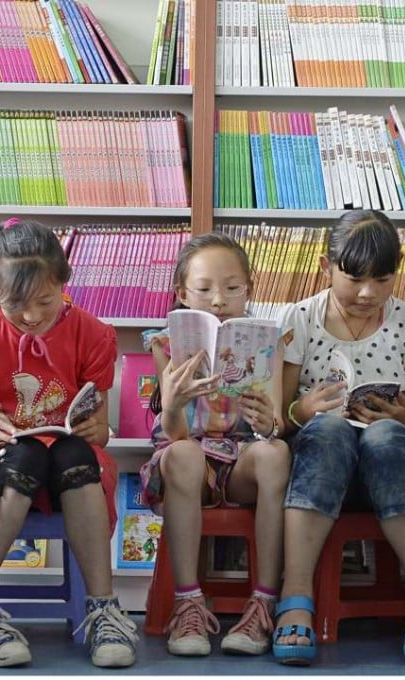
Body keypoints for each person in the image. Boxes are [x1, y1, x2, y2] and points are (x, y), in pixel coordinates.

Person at [0, 219, 138, 668]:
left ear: (64, 284)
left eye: (45, 301)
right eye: (16, 305)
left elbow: (99, 426)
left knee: (75, 452)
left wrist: (95, 430)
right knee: (24, 453)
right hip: (3, 460)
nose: (31, 316)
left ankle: (103, 609)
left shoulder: (91, 332)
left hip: (67, 459)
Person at [273, 210, 405, 666]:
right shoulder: (300, 318)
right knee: (328, 428)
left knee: (386, 435)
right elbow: (277, 421)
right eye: (354, 278)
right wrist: (304, 409)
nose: (369, 293)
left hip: (391, 469)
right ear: (324, 265)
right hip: (318, 469)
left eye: (384, 279)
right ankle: (295, 595)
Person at [140, 233, 291, 657]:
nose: (219, 299)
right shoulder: (165, 344)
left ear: (250, 288)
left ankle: (263, 603)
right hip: (189, 460)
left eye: (232, 287)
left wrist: (268, 422)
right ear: (183, 293)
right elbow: (173, 434)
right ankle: (187, 603)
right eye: (204, 289)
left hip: (243, 459)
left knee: (276, 453)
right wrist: (175, 402)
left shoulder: (270, 343)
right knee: (184, 453)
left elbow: (275, 424)